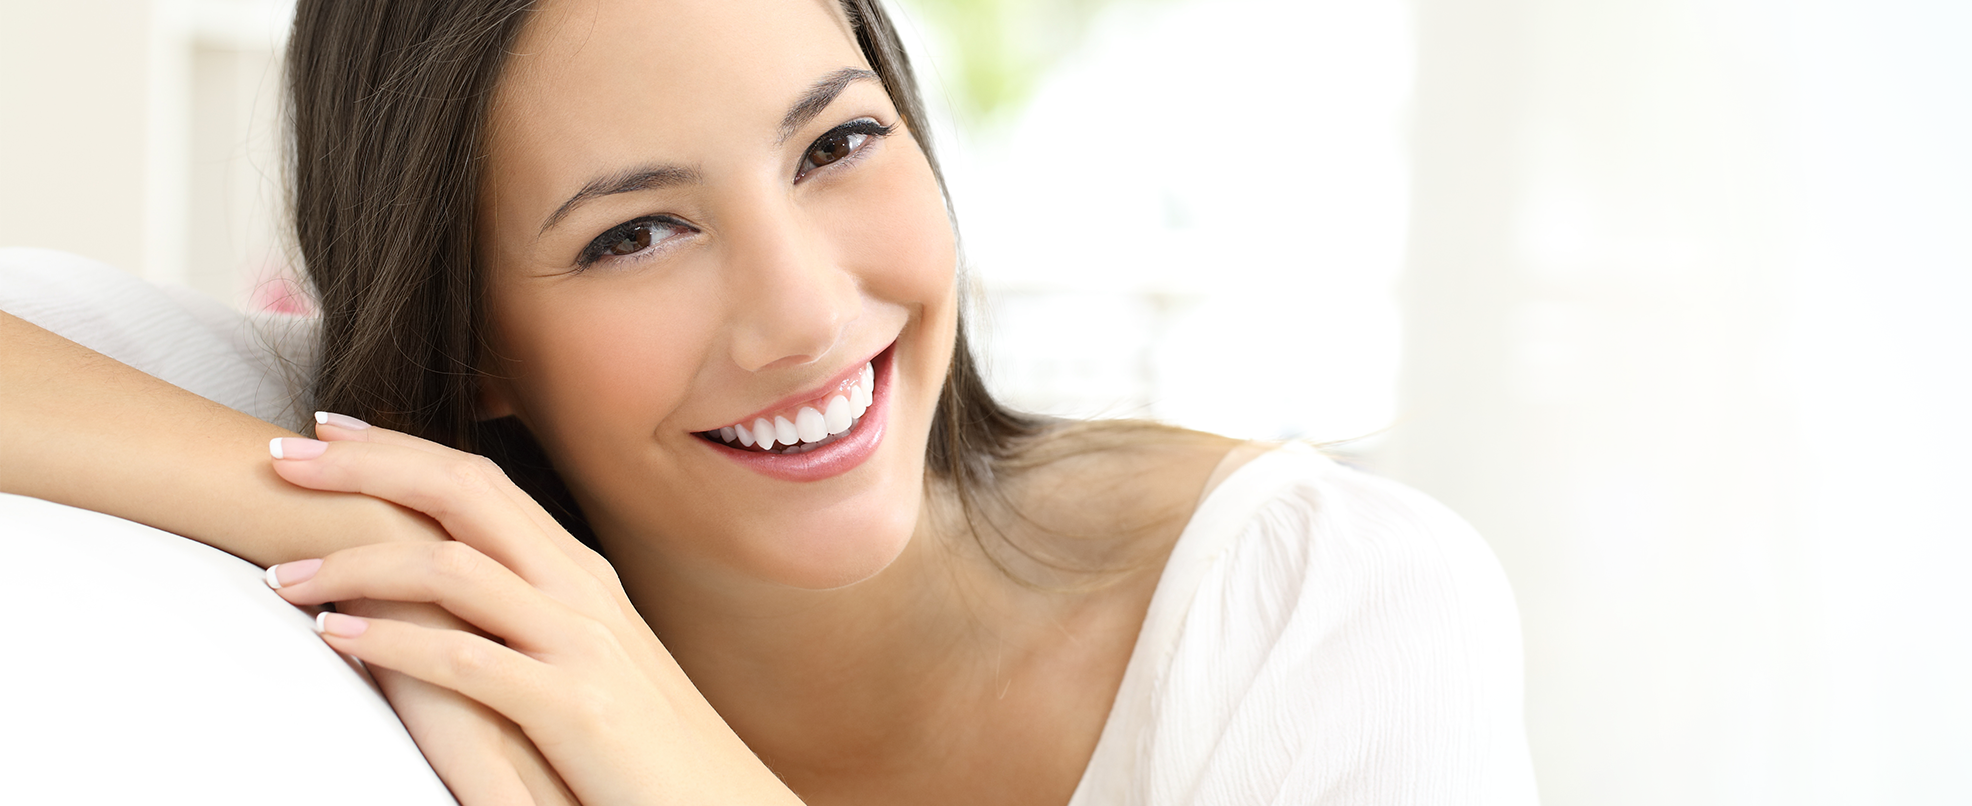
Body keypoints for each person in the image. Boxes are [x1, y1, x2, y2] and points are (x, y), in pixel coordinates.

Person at [0, 0, 1535, 803]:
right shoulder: (455, 499)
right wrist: (388, 518)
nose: (805, 309)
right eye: (635, 233)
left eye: (835, 146)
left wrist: (673, 753)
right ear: (473, 345)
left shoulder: (1324, 617)